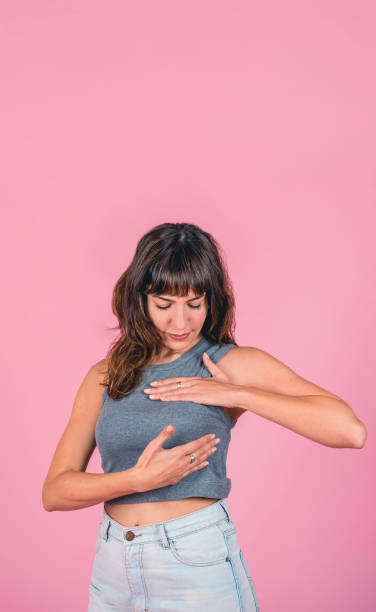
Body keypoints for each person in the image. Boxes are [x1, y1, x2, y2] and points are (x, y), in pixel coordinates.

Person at [42, 222, 366, 611]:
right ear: (139, 299)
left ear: (212, 300)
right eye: (164, 305)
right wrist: (136, 480)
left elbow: (349, 430)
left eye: (195, 304)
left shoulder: (228, 363)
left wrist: (235, 392)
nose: (181, 323)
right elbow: (55, 491)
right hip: (113, 569)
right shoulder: (105, 374)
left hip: (193, 562)